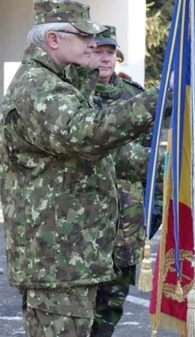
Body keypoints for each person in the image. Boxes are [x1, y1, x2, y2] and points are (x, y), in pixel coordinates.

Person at [0, 0, 167, 337]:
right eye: (83, 35)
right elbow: (85, 134)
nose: (93, 43)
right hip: (57, 261)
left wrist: (169, 168)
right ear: (53, 39)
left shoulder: (64, 83)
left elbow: (105, 156)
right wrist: (157, 100)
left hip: (74, 256)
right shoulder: (38, 87)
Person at [82, 25, 160, 336]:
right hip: (86, 210)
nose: (104, 59)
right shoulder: (74, 96)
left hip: (127, 214)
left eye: (110, 53)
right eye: (98, 52)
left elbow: (151, 157)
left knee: (113, 295)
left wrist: (152, 212)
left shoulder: (135, 97)